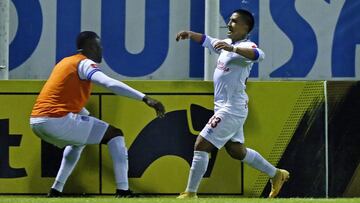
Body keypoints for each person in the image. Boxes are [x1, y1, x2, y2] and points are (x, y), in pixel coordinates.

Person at [30, 31, 165, 198]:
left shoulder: (64, 62)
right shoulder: (84, 63)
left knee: (78, 142)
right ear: (91, 47)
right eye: (99, 46)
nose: (101, 50)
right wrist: (145, 98)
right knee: (115, 135)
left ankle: (56, 190)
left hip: (37, 122)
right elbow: (109, 83)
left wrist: (87, 117)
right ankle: (123, 190)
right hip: (56, 121)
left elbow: (63, 98)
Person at [175, 9, 289, 198]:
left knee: (201, 144)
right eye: (229, 20)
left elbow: (259, 55)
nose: (229, 24)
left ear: (246, 27)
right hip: (224, 106)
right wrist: (189, 34)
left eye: (234, 21)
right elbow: (208, 40)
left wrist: (234, 49)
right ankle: (276, 174)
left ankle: (190, 193)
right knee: (236, 151)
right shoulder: (226, 43)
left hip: (232, 108)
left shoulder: (246, 45)